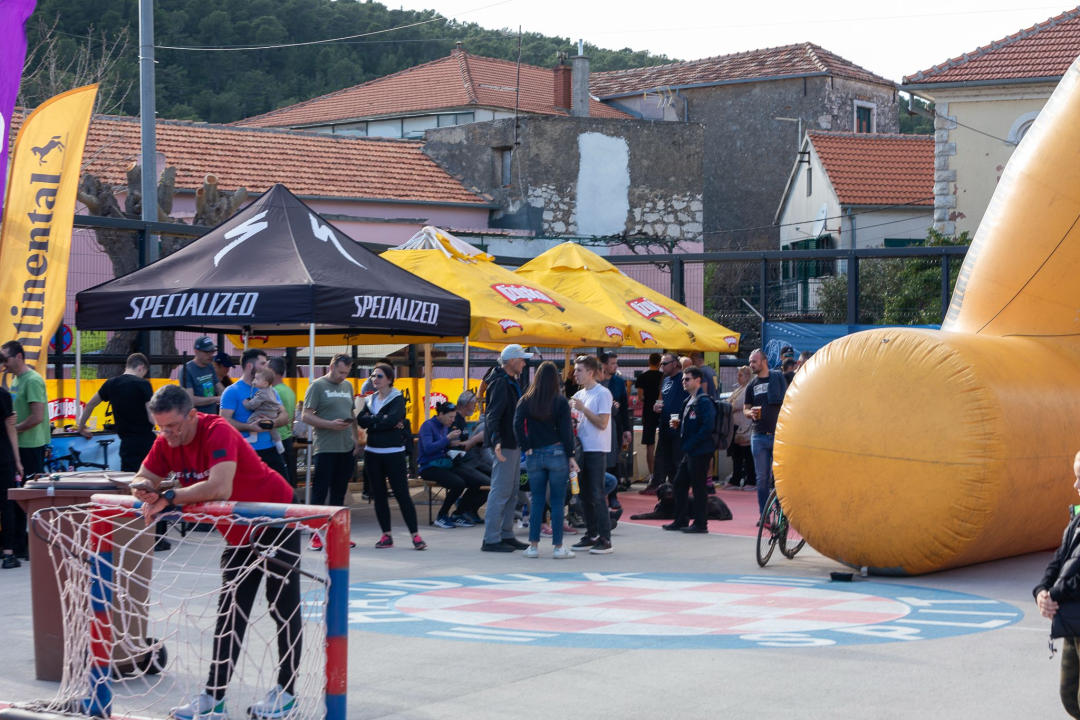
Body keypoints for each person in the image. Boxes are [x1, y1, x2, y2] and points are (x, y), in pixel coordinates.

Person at [129, 385, 299, 720]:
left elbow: (220, 487)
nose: (167, 434)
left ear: (192, 415)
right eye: (160, 427)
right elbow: (142, 476)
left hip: (275, 516)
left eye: (173, 426)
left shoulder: (217, 430)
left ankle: (287, 692)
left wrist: (169, 497)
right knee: (230, 612)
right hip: (238, 531)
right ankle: (213, 698)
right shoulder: (165, 441)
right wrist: (143, 490)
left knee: (282, 606)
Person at [77, 353, 171, 551]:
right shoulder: (143, 385)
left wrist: (81, 426)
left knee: (133, 487)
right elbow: (150, 415)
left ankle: (133, 530)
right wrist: (161, 429)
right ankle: (157, 536)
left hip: (126, 442)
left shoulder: (111, 384)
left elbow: (91, 403)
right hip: (146, 441)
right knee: (155, 486)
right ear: (141, 367)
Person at [356, 363, 426, 550]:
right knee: (379, 496)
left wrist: (374, 423)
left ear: (389, 379)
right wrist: (381, 420)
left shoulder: (397, 398)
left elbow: (393, 419)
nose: (375, 379)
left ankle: (415, 536)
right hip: (372, 453)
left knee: (402, 494)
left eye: (379, 376)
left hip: (393, 453)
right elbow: (361, 420)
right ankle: (386, 535)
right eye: (373, 376)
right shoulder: (370, 399)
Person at [514, 360, 578, 559]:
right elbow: (567, 431)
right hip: (557, 452)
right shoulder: (560, 401)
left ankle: (533, 546)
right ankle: (558, 547)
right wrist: (571, 455)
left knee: (537, 500)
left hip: (534, 453)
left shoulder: (526, 399)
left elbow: (517, 424)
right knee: (557, 501)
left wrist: (526, 445)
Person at [1036, 451, 1080, 719]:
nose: (1076, 485)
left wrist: (1055, 594)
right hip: (1074, 620)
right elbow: (1059, 558)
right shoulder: (1076, 520)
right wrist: (1042, 592)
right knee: (1069, 696)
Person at [480, 345, 531, 553]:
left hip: (512, 442)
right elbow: (492, 414)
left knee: (510, 491)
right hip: (506, 443)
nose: (524, 363)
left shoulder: (508, 380)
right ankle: (491, 539)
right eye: (522, 359)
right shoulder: (501, 382)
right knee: (501, 491)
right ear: (512, 361)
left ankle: (506, 533)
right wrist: (497, 441)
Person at [3, 340, 47, 560]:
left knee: (28, 497)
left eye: (5, 359)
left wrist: (13, 429)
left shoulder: (33, 380)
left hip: (30, 446)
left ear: (18, 357)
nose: (3, 363)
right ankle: (18, 542)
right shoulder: (16, 380)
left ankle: (28, 544)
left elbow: (37, 417)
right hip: (18, 446)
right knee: (15, 497)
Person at [219, 349, 289, 480]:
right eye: (262, 364)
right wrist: (250, 427)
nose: (266, 367)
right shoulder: (232, 391)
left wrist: (272, 423)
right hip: (244, 452)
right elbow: (224, 421)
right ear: (249, 366)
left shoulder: (270, 390)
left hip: (270, 450)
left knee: (286, 490)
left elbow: (285, 416)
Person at [569, 355, 614, 555]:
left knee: (597, 494)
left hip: (596, 449)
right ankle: (591, 534)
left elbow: (602, 423)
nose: (575, 374)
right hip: (581, 449)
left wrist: (583, 409)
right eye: (575, 370)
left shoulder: (602, 393)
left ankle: (605, 538)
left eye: (579, 370)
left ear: (590, 372)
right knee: (584, 495)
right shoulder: (579, 394)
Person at [663, 366, 716, 534]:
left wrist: (691, 442)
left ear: (698, 380)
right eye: (683, 379)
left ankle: (701, 523)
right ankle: (681, 519)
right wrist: (679, 425)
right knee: (679, 482)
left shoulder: (704, 401)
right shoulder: (688, 401)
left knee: (699, 486)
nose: (683, 382)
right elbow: (692, 424)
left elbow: (708, 427)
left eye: (687, 379)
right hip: (691, 450)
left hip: (700, 449)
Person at [418, 402, 488, 529]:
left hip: (445, 463)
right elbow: (428, 448)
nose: (453, 420)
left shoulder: (445, 426)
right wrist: (447, 439)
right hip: (428, 466)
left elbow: (443, 448)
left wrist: (454, 449)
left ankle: (458, 513)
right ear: (440, 414)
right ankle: (442, 515)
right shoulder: (428, 426)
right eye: (450, 417)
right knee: (458, 483)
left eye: (454, 417)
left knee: (476, 481)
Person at [744, 348, 789, 516]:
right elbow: (745, 409)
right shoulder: (751, 385)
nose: (751, 364)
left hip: (778, 435)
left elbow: (789, 401)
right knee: (762, 478)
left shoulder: (778, 378)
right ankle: (764, 515)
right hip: (758, 436)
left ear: (764, 362)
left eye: (754, 361)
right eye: (750, 361)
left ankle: (780, 514)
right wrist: (750, 413)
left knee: (779, 478)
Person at [644, 352, 687, 495]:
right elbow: (661, 398)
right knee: (664, 458)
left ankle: (679, 488)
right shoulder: (666, 380)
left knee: (677, 458)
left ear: (675, 363)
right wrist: (656, 406)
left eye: (665, 363)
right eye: (661, 363)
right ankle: (664, 485)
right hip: (664, 423)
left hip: (678, 424)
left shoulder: (683, 379)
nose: (662, 366)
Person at [599, 352, 631, 507]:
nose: (616, 366)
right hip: (599, 427)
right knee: (600, 461)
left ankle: (613, 496)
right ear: (604, 365)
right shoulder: (595, 382)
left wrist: (627, 429)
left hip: (615, 426)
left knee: (614, 460)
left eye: (616, 363)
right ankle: (600, 496)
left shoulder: (618, 381)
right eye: (613, 363)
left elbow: (624, 407)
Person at [0, 381, 22, 569]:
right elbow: (9, 427)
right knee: (7, 505)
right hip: (3, 457)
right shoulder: (3, 395)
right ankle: (8, 553)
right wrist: (17, 460)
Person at [267, 357, 298, 488]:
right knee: (288, 478)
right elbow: (292, 417)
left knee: (278, 481)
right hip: (288, 438)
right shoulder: (289, 391)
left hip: (277, 439)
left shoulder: (274, 392)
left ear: (271, 370)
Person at [635, 353, 663, 487]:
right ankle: (662, 474)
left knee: (649, 445)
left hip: (648, 412)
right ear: (659, 363)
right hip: (662, 411)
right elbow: (662, 395)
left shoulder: (642, 376)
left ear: (649, 362)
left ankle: (652, 476)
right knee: (664, 444)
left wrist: (649, 399)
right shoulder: (663, 376)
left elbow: (640, 398)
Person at [725, 366, 755, 489]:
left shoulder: (748, 388)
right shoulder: (739, 389)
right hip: (737, 426)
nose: (738, 377)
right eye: (737, 375)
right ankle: (735, 480)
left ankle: (751, 480)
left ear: (748, 376)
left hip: (745, 426)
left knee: (747, 455)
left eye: (740, 375)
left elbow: (735, 404)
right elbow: (728, 402)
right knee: (736, 455)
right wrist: (729, 403)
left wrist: (729, 403)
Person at [243, 368, 286, 453]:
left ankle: (253, 437)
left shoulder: (262, 393)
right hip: (273, 413)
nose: (254, 381)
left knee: (251, 420)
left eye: (257, 379)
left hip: (264, 412)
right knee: (272, 428)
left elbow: (253, 404)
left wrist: (246, 404)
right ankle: (279, 443)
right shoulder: (272, 390)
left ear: (265, 383)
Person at [183, 337, 224, 414]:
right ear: (196, 351)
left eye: (212, 351)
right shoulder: (186, 370)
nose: (211, 355)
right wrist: (216, 399)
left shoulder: (210, 366)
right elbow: (190, 400)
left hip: (212, 415)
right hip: (197, 417)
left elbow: (220, 388)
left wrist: (228, 395)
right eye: (207, 352)